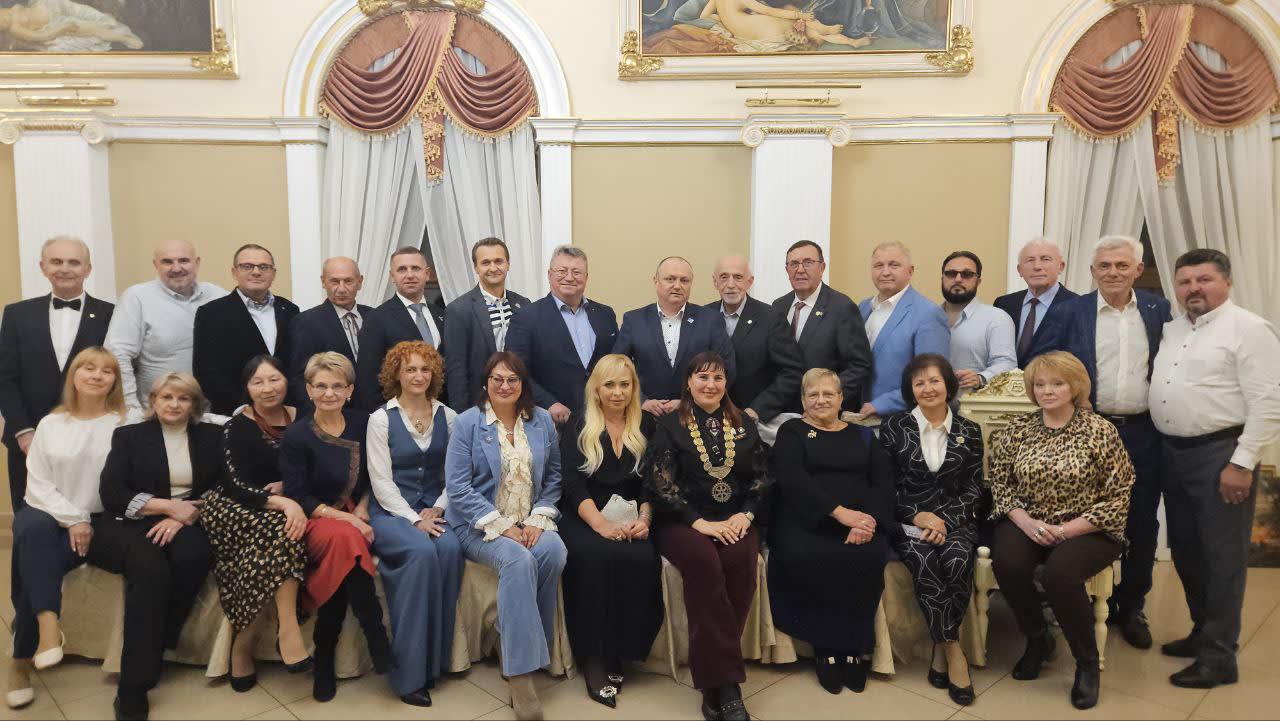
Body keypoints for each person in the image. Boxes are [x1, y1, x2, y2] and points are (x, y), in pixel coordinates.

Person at [1028, 235, 1172, 650]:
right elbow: (1039, 361)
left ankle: (1132, 607)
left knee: (1141, 519)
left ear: (1137, 270)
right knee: (1080, 514)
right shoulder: (1071, 311)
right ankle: (1072, 598)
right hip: (1085, 430)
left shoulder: (1157, 310)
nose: (1113, 273)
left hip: (1142, 431)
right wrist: (1073, 398)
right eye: (1104, 266)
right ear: (1091, 272)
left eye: (1122, 266)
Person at [1151, 249, 1280, 689]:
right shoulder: (1172, 329)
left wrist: (1241, 463)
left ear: (1226, 282)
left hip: (1220, 455)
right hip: (1173, 453)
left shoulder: (1249, 329)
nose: (1193, 289)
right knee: (1187, 551)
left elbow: (1268, 403)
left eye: (1203, 280)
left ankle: (1220, 658)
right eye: (1185, 281)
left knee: (1222, 559)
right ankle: (1204, 632)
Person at [988, 351, 1134, 710]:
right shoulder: (1018, 429)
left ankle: (1087, 665)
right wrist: (1028, 523)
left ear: (1075, 386)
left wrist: (1066, 530)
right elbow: (1002, 487)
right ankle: (1038, 639)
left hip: (1090, 527)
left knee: (1059, 576)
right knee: (1007, 562)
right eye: (1039, 384)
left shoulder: (1100, 430)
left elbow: (1119, 494)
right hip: (1030, 521)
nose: (1047, 391)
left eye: (1057, 383)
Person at [88, 372, 222, 721]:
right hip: (130, 523)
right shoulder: (129, 436)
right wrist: (165, 506)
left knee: (195, 555)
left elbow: (224, 486)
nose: (174, 404)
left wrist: (183, 515)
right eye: (167, 397)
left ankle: (158, 640)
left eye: (183, 398)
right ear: (153, 401)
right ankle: (133, 687)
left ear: (194, 404)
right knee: (151, 570)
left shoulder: (212, 435)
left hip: (188, 519)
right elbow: (112, 493)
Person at [646, 351, 772, 721]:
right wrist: (698, 522)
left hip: (735, 520)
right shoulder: (670, 425)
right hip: (682, 522)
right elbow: (659, 482)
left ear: (726, 384)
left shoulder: (744, 423)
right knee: (704, 563)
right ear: (688, 382)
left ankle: (714, 684)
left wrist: (746, 515)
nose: (710, 385)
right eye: (702, 377)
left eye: (717, 378)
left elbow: (764, 477)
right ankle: (727, 685)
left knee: (739, 565)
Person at [445, 351, 566, 721]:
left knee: (555, 550)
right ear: (486, 383)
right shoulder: (468, 423)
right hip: (479, 525)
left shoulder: (542, 420)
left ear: (523, 385)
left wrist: (535, 520)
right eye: (497, 379)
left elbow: (555, 476)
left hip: (528, 520)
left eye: (512, 379)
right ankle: (519, 673)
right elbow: (458, 487)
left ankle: (511, 636)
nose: (504, 385)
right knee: (518, 559)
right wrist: (504, 526)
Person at [6, 347, 127, 711]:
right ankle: (47, 627)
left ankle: (19, 661)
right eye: (87, 367)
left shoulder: (126, 422)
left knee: (34, 560)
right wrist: (73, 518)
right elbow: (37, 484)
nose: (96, 375)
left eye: (106, 370)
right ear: (73, 375)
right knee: (31, 529)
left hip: (102, 517)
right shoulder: (50, 424)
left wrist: (85, 520)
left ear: (114, 381)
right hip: (47, 510)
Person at [768, 368, 893, 697]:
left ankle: (854, 647)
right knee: (812, 556)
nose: (821, 400)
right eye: (813, 394)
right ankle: (825, 647)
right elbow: (792, 478)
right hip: (806, 521)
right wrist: (841, 514)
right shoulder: (792, 431)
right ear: (803, 400)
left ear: (841, 399)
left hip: (860, 524)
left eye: (828, 394)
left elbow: (882, 482)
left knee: (866, 556)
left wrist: (867, 521)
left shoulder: (864, 435)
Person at [280, 352, 392, 703]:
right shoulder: (297, 435)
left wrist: (360, 509)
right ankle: (376, 633)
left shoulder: (364, 422)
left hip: (358, 515)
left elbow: (377, 474)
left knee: (345, 555)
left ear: (350, 390)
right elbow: (298, 494)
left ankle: (325, 657)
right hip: (317, 519)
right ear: (309, 391)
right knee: (347, 539)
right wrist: (347, 519)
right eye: (321, 386)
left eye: (337, 386)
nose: (329, 393)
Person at [200, 355, 311, 693]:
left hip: (282, 506)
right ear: (247, 388)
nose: (267, 388)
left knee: (277, 537)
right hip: (235, 506)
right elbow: (233, 483)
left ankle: (243, 647)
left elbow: (319, 465)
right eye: (257, 382)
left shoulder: (304, 417)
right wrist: (284, 500)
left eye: (273, 379)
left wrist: (289, 491)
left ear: (286, 381)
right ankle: (288, 630)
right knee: (282, 529)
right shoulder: (237, 425)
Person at [877, 354, 983, 706]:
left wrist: (945, 522)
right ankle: (954, 652)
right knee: (924, 561)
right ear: (910, 390)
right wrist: (918, 517)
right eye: (919, 382)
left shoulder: (970, 430)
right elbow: (883, 486)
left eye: (934, 380)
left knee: (955, 561)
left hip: (955, 521)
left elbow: (973, 489)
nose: (927, 388)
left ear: (948, 385)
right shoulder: (894, 427)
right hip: (909, 522)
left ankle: (941, 647)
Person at [558, 354, 663, 708]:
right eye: (609, 385)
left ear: (633, 388)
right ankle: (594, 658)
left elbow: (655, 483)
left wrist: (644, 521)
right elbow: (572, 486)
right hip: (584, 516)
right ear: (596, 389)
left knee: (641, 559)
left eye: (624, 384)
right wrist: (601, 525)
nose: (617, 393)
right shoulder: (579, 423)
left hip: (632, 517)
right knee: (596, 557)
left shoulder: (647, 424)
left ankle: (620, 652)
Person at [367, 341, 463, 707]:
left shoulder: (449, 416)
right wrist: (413, 518)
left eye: (425, 369)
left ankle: (435, 663)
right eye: (410, 369)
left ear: (434, 373)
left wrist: (436, 511)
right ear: (396, 374)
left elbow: (455, 475)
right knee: (422, 551)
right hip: (392, 513)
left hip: (435, 510)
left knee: (451, 548)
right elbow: (381, 482)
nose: (418, 376)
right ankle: (408, 675)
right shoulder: (381, 419)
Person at [0, 235, 113, 510]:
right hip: (28, 434)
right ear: (43, 267)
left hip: (91, 437)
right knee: (30, 519)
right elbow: (5, 377)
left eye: (74, 262)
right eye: (56, 261)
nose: (65, 268)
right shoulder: (16, 314)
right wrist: (23, 432)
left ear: (88, 269)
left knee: (91, 516)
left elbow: (117, 375)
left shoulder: (112, 314)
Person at [105, 239, 228, 413]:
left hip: (209, 415)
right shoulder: (137, 297)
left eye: (184, 260)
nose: (176, 268)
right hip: (156, 415)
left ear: (197, 262)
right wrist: (132, 409)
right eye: (167, 262)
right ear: (156, 265)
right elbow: (118, 355)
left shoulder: (217, 296)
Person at [507, 245, 618, 422]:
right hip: (550, 419)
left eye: (577, 272)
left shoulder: (605, 314)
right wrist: (549, 403)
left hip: (602, 417)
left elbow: (616, 364)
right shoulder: (526, 318)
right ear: (549, 275)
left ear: (586, 277)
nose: (569, 277)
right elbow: (515, 371)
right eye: (562, 271)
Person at [613, 256, 736, 416]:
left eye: (684, 280)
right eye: (670, 279)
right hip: (645, 417)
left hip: (696, 415)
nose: (677, 286)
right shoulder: (634, 320)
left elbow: (727, 369)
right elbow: (616, 368)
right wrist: (641, 401)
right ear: (656, 281)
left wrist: (690, 401)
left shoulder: (711, 320)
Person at [193, 244, 300, 416]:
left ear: (273, 273)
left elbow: (296, 363)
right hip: (237, 414)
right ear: (234, 272)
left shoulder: (290, 310)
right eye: (247, 266)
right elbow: (206, 370)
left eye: (264, 267)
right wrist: (241, 410)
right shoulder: (211, 313)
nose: (256, 272)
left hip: (287, 414)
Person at [770, 240, 872, 414]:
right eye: (793, 264)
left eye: (808, 263)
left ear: (822, 267)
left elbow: (859, 366)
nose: (800, 270)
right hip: (783, 410)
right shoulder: (778, 306)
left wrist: (826, 399)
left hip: (825, 414)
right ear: (787, 270)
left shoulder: (842, 307)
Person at [708, 254, 804, 430]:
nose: (730, 284)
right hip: (710, 419)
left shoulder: (771, 317)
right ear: (715, 282)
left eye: (738, 277)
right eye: (724, 277)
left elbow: (791, 372)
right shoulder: (704, 316)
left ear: (749, 281)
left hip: (755, 421)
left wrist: (757, 410)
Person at [857, 242, 950, 417]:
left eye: (894, 265)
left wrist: (882, 404)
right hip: (858, 418)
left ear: (910, 271)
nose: (885, 272)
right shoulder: (863, 307)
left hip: (904, 422)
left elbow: (934, 378)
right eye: (878, 266)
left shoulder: (929, 314)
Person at [443, 237, 532, 411]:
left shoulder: (524, 304)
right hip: (479, 406)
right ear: (476, 267)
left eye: (498, 261)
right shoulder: (458, 310)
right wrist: (462, 415)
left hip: (520, 403)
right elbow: (456, 370)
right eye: (485, 262)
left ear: (508, 264)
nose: (493, 268)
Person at [354, 247, 447, 411]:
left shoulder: (444, 315)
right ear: (392, 276)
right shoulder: (377, 319)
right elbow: (368, 380)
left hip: (442, 413)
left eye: (415, 268)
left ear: (427, 274)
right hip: (398, 415)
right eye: (402, 269)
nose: (409, 275)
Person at [287, 257, 373, 412]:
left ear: (360, 282)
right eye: (334, 281)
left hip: (374, 411)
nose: (341, 289)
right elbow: (299, 378)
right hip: (331, 413)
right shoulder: (306, 322)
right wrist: (317, 417)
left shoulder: (374, 316)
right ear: (323, 282)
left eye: (348, 281)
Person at [937, 251, 1016, 394]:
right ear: (942, 278)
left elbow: (1007, 363)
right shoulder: (927, 317)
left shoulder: (997, 318)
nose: (958, 279)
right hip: (929, 409)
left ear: (978, 281)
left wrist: (981, 378)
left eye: (967, 274)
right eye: (951, 273)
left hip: (974, 410)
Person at [993, 238, 1078, 368]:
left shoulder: (1078, 307)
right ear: (1019, 270)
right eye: (1030, 260)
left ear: (1061, 266)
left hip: (1050, 385)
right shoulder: (1004, 304)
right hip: (1007, 386)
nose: (1037, 266)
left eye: (1045, 259)